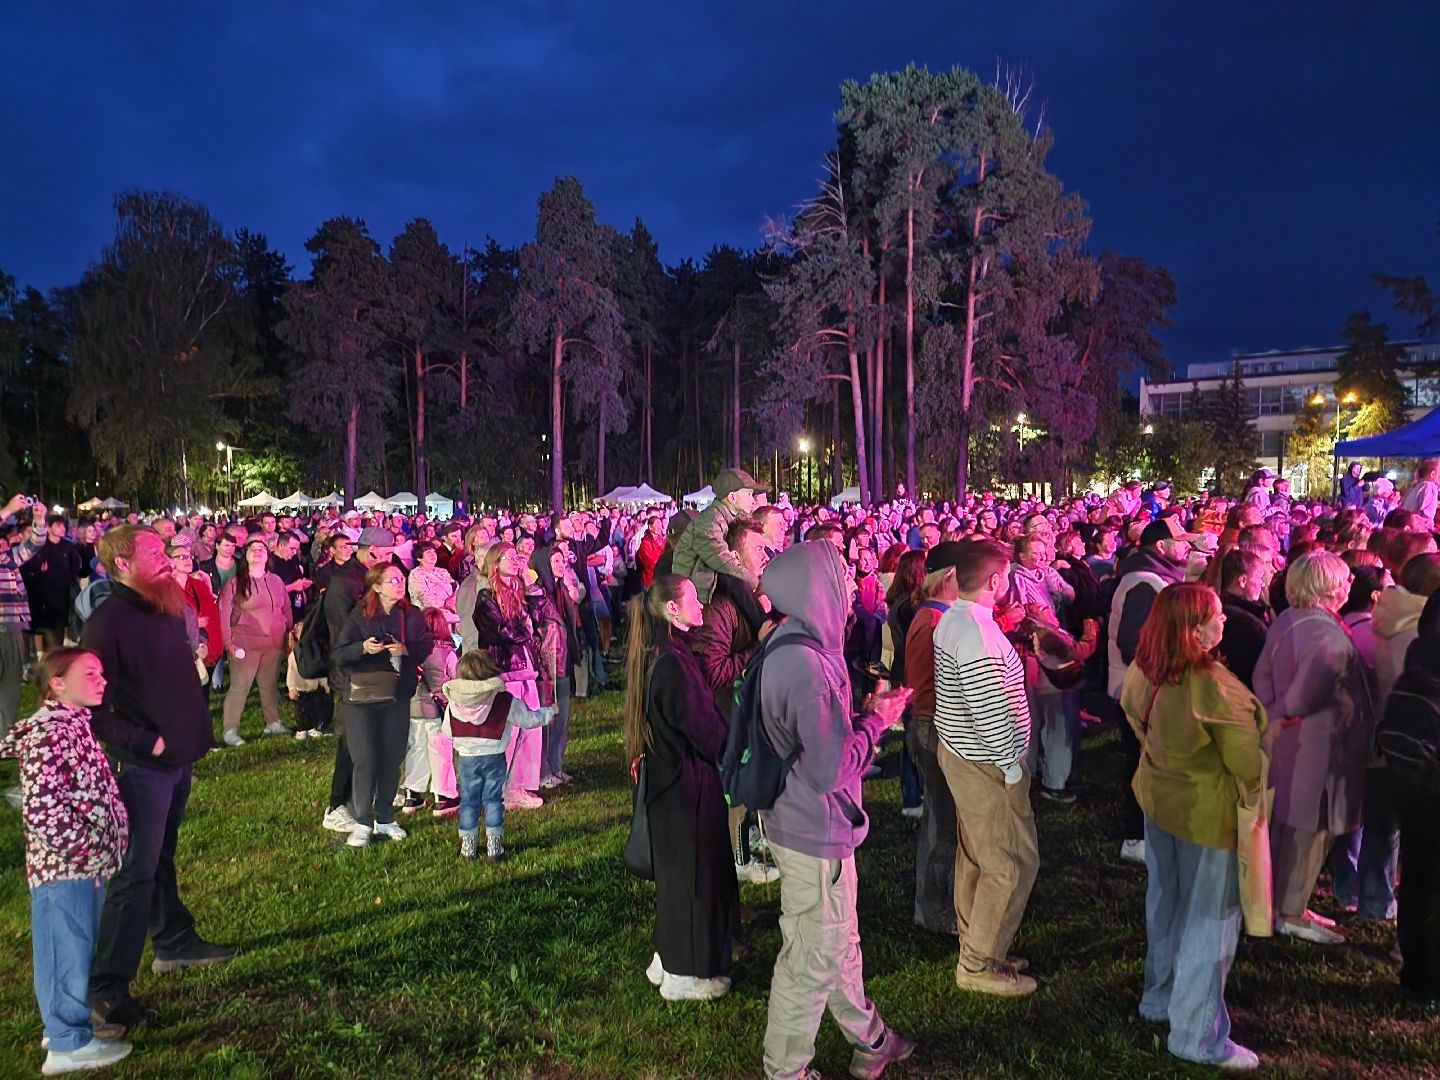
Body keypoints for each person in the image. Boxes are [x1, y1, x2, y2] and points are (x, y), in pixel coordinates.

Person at [758, 541, 916, 1080]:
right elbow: (831, 770)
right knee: (811, 958)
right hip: (812, 825)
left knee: (837, 942)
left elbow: (815, 738)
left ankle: (871, 1039)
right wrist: (878, 721)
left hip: (806, 819)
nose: (850, 586)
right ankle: (786, 1071)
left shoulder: (794, 639)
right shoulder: (806, 666)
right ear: (814, 589)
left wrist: (862, 713)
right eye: (840, 576)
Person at [81, 525, 237, 1031]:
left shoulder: (166, 606)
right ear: (122, 564)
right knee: (134, 874)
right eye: (154, 552)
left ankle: (172, 940)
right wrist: (148, 742)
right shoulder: (108, 623)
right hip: (141, 768)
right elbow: (92, 707)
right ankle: (106, 989)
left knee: (161, 858)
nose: (170, 557)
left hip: (176, 763)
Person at [1120, 583, 1265, 1071]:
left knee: (1166, 902)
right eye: (1216, 617)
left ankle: (1158, 998)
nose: (1224, 623)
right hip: (1207, 815)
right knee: (1210, 922)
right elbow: (1249, 763)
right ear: (1192, 629)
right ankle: (1197, 1034)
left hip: (1160, 801)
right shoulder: (1215, 687)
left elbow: (1133, 715)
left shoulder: (1146, 667)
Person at [1, 648, 133, 1076]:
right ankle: (66, 1044)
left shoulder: (73, 725)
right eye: (89, 673)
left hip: (83, 866)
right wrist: (86, 851)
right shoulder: (49, 734)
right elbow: (42, 811)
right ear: (57, 683)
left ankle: (65, 1024)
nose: (102, 680)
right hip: (65, 869)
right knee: (65, 949)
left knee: (72, 948)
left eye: (101, 672)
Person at [622, 573, 740, 1001]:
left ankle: (667, 956)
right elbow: (704, 729)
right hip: (684, 788)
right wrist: (737, 748)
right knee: (691, 880)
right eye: (694, 599)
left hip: (674, 785)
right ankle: (685, 974)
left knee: (680, 880)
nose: (702, 606)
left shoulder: (668, 653)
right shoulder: (671, 663)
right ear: (672, 608)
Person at [932, 539, 1039, 996]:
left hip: (963, 753)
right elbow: (989, 710)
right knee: (1009, 862)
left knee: (977, 856)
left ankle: (979, 942)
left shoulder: (955, 620)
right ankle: (977, 964)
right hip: (984, 761)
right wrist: (1010, 768)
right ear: (996, 580)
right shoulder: (975, 633)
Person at [1254, 550, 1372, 945]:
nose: (1350, 585)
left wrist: (1272, 715)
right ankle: (1290, 911)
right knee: (1310, 830)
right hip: (1318, 748)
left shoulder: (1289, 619)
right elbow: (1308, 694)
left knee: (1288, 826)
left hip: (1290, 743)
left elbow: (1264, 675)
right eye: (1344, 580)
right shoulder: (1324, 633)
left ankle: (1283, 904)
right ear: (1328, 587)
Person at [1108, 513, 1200, 863]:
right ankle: (1136, 837)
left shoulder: (1156, 577)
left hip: (1147, 689)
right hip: (1142, 691)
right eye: (1182, 543)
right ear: (1161, 546)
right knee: (1142, 763)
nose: (1187, 548)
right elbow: (1135, 643)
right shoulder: (1145, 583)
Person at [331, 563, 434, 848]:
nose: (399, 584)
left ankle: (385, 816)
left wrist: (406, 650)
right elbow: (338, 654)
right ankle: (362, 820)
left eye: (400, 579)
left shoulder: (410, 615)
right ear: (376, 586)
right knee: (365, 758)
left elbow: (426, 644)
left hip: (397, 695)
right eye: (392, 580)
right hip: (361, 697)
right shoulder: (359, 615)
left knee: (391, 757)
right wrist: (362, 648)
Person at [1374, 593, 1440, 1008]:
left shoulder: (1421, 651)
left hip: (1411, 772)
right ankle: (1431, 983)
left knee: (1417, 875)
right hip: (1431, 773)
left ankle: (1415, 972)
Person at [903, 542, 967, 935]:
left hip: (927, 723)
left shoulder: (931, 614)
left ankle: (935, 904)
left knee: (938, 819)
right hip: (933, 726)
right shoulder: (935, 621)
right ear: (948, 578)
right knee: (944, 824)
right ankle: (935, 909)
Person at [443, 650, 552, 861]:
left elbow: (447, 731)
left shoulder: (454, 703)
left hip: (466, 758)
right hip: (494, 756)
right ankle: (494, 846)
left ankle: (468, 846)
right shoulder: (504, 699)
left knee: (469, 801)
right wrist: (548, 713)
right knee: (493, 800)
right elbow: (528, 719)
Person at [472, 542, 548, 809]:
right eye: (510, 557)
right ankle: (497, 787)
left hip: (527, 666)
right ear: (496, 562)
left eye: (518, 557)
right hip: (506, 670)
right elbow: (502, 631)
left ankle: (519, 785)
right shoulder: (486, 598)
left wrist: (531, 586)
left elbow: (542, 616)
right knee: (509, 730)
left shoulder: (520, 590)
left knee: (531, 726)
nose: (516, 561)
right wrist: (526, 631)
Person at [217, 537, 293, 746]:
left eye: (262, 549)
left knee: (269, 686)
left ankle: (273, 722)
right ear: (246, 556)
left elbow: (285, 608)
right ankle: (230, 730)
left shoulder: (276, 581)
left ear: (268, 556)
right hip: (245, 644)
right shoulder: (235, 583)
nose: (258, 551)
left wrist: (289, 629)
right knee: (240, 686)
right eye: (253, 549)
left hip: (274, 644)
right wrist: (228, 643)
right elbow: (223, 614)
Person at [671, 467, 768, 603]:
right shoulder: (710, 519)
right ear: (732, 497)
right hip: (690, 596)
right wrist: (755, 583)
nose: (753, 500)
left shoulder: (730, 517)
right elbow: (722, 559)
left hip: (702, 588)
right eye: (748, 494)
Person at [530, 544, 582, 788]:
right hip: (546, 665)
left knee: (561, 720)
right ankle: (543, 771)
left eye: (562, 561)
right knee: (548, 720)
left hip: (563, 661)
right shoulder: (537, 596)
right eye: (555, 562)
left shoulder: (562, 591)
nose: (561, 566)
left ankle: (557, 766)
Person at [20, 513, 85, 653]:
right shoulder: (40, 547)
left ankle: (55, 665)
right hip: (43, 600)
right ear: (48, 528)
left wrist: (70, 577)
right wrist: (38, 572)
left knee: (58, 636)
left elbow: (77, 564)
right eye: (58, 525)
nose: (62, 528)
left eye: (63, 525)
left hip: (61, 598)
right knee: (47, 639)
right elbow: (27, 568)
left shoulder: (67, 546)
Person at [1217, 549, 1271, 691]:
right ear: (1242, 581)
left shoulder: (1221, 609)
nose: (1263, 584)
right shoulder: (1244, 624)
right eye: (1259, 578)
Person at [1401, 458, 1439, 527]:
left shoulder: (1416, 486)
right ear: (1432, 474)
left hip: (1408, 527)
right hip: (1418, 531)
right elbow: (1427, 516)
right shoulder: (1430, 486)